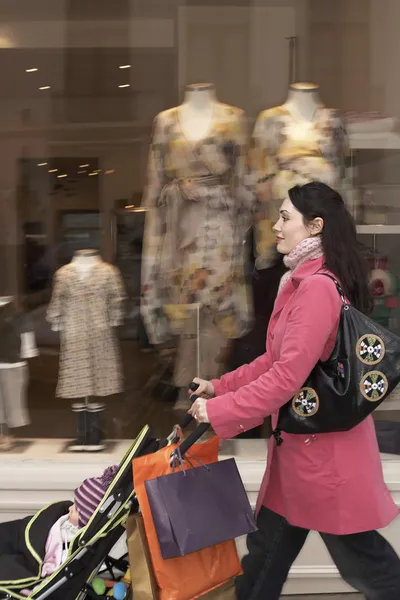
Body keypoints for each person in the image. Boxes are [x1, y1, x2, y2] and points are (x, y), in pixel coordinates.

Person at [188, 181, 400, 600]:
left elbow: (287, 376)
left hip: (325, 464)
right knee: (263, 561)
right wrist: (219, 387)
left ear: (315, 225)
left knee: (367, 568)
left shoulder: (316, 288)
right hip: (301, 458)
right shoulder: (300, 283)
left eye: (285, 217)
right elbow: (273, 361)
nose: (276, 225)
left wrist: (221, 412)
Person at [0, 465, 118, 590]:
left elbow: (54, 565)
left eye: (76, 510)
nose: (70, 509)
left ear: (86, 520)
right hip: (28, 535)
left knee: (10, 565)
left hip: (33, 556)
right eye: (74, 504)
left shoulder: (73, 541)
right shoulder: (66, 520)